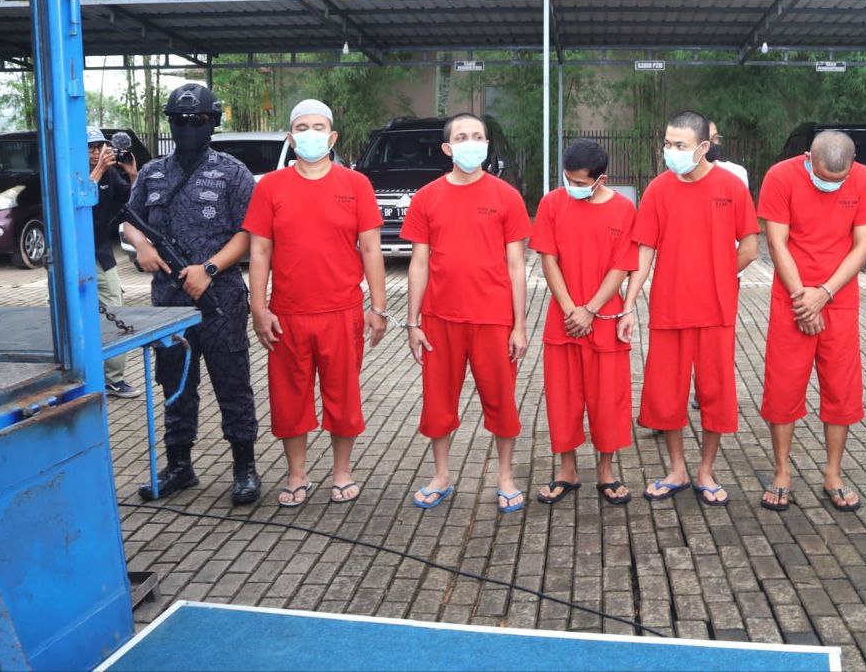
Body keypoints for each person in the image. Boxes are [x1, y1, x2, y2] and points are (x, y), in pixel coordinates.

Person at [244, 100, 388, 507]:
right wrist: (258, 308)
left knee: (343, 396)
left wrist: (378, 307)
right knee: (289, 398)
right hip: (287, 314)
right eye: (302, 128)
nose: (311, 134)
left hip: (342, 311)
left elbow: (371, 248)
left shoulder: (355, 184)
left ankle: (342, 472)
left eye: (318, 127)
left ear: (332, 136)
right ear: (291, 138)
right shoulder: (270, 187)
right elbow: (259, 251)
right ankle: (297, 474)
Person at [122, 83, 261, 506]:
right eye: (179, 120)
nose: (187, 126)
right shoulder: (152, 173)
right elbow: (130, 220)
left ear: (212, 122)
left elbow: (249, 232)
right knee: (175, 383)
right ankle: (179, 465)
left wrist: (209, 269)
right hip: (169, 302)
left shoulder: (232, 172)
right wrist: (141, 246)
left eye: (197, 120)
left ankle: (244, 467)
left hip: (221, 299)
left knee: (232, 382)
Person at [618, 110, 759, 506]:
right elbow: (644, 250)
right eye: (667, 144)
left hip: (716, 311)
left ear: (703, 147)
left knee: (715, 392)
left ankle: (705, 472)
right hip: (669, 309)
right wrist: (628, 304)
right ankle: (677, 468)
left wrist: (717, 275)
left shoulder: (731, 187)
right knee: (667, 393)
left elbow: (750, 247)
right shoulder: (658, 189)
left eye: (679, 145)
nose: (670, 151)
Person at [400, 113, 532, 513]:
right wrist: (412, 322)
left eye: (477, 136)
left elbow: (517, 265)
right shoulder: (427, 197)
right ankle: (441, 476)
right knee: (438, 403)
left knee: (501, 400)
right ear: (448, 148)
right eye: (462, 137)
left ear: (487, 145)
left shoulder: (506, 196)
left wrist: (520, 325)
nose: (470, 143)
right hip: (440, 319)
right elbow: (419, 263)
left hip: (494, 319)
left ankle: (505, 477)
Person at [756, 130, 866, 513]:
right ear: (807, 159)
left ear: (853, 164)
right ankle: (782, 472)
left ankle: (833, 473)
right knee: (783, 386)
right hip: (792, 298)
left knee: (841, 389)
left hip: (839, 298)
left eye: (839, 180)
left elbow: (863, 245)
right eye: (824, 178)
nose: (831, 186)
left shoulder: (865, 180)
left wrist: (824, 293)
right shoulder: (780, 176)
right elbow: (776, 243)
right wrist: (803, 300)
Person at [530, 139, 639, 507]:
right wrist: (569, 309)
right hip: (563, 321)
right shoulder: (552, 204)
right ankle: (567, 470)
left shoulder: (623, 209)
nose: (572, 187)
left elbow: (622, 265)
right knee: (563, 399)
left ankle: (606, 472)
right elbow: (548, 258)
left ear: (600, 179)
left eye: (580, 182)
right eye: (568, 180)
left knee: (609, 400)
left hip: (605, 319)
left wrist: (590, 309)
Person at [88, 126, 139, 399]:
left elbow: (132, 201)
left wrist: (132, 174)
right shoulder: (67, 173)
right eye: (91, 148)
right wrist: (97, 171)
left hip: (100, 253)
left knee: (115, 309)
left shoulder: (109, 173)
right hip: (70, 255)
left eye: (100, 147)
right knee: (70, 314)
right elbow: (77, 202)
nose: (97, 153)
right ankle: (79, 375)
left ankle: (113, 379)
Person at [707, 120, 749, 188]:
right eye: (707, 139)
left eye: (715, 137)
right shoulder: (688, 177)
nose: (712, 143)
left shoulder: (737, 173)